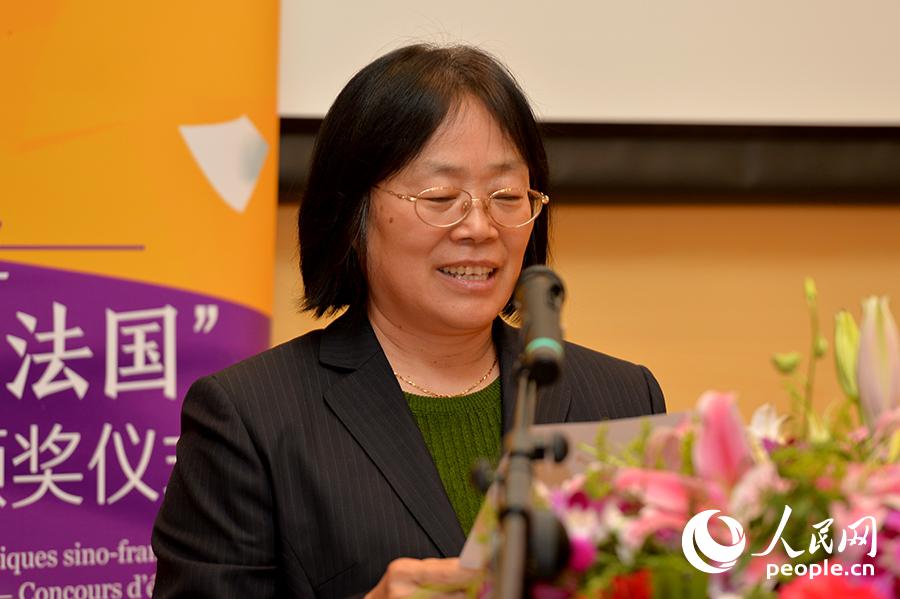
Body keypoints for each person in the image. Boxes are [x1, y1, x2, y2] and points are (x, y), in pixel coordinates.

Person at [151, 43, 666, 598]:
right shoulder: (249, 420)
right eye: (440, 195)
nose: (479, 226)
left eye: (507, 194)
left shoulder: (621, 398)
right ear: (354, 214)